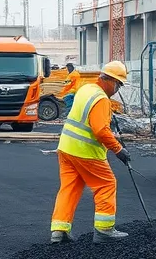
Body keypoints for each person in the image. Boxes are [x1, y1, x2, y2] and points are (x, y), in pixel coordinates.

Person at [50, 61, 132, 244]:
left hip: (66, 148)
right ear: (108, 80)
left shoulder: (86, 89)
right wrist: (118, 150)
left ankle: (59, 231)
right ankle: (104, 230)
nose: (117, 89)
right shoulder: (101, 99)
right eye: (118, 84)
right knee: (106, 184)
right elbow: (100, 130)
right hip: (85, 151)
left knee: (69, 188)